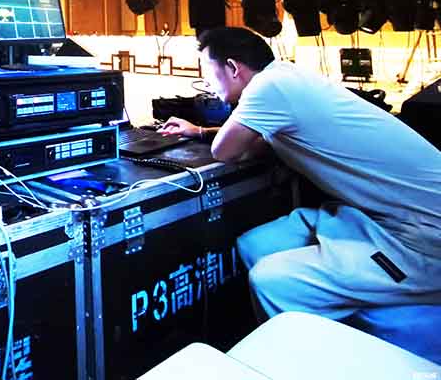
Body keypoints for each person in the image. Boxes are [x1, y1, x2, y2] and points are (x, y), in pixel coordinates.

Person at [158, 26, 441, 335]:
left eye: (207, 71)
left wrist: (210, 135)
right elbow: (263, 138)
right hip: (379, 219)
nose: (207, 83)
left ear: (233, 68)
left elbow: (224, 151)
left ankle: (316, 351)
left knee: (271, 281)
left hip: (421, 240)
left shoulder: (268, 88)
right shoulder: (285, 76)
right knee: (255, 245)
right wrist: (199, 131)